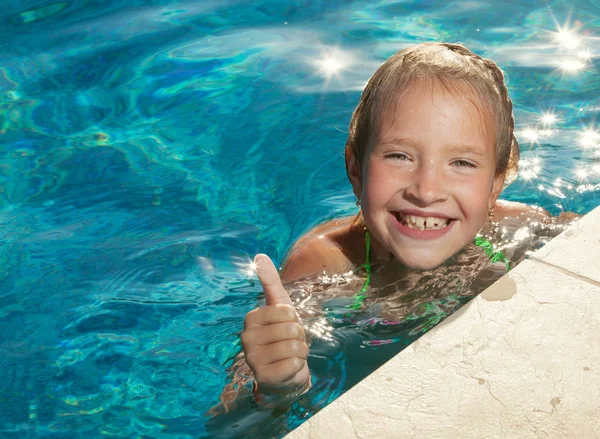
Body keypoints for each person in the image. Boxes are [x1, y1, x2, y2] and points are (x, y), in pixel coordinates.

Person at [214, 42, 579, 415]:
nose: (426, 190)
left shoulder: (513, 226)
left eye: (463, 163)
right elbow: (230, 421)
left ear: (496, 184)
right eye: (399, 156)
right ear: (355, 170)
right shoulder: (325, 265)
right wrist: (276, 389)